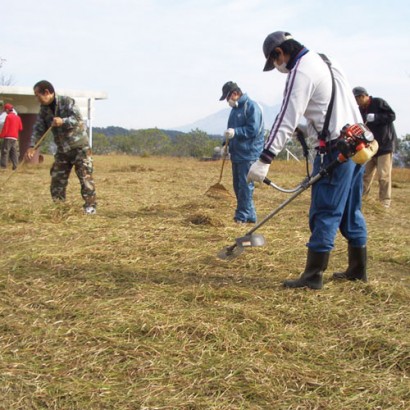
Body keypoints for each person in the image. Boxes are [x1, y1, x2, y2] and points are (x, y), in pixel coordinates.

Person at [247, 31, 368, 289]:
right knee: (350, 211)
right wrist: (310, 128)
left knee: (324, 211)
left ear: (279, 53)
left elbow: (285, 116)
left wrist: (264, 159)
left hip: (338, 149)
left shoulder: (300, 70)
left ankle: (313, 277)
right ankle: (358, 270)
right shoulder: (326, 61)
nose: (278, 68)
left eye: (275, 62)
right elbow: (332, 107)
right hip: (359, 143)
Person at [26, 80, 97, 214]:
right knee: (57, 178)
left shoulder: (67, 102)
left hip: (79, 148)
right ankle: (59, 207)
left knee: (85, 178)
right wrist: (32, 146)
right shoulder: (44, 110)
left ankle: (90, 206)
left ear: (46, 92)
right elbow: (39, 129)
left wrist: (62, 121)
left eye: (37, 95)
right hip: (62, 150)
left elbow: (78, 120)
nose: (36, 98)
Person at [219, 81, 264, 224]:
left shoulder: (251, 107)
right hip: (237, 154)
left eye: (227, 98)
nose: (227, 101)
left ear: (234, 94)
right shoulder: (234, 110)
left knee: (245, 186)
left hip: (249, 153)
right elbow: (230, 132)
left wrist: (236, 132)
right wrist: (224, 146)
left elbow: (253, 130)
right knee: (238, 186)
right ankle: (250, 216)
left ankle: (241, 216)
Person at [352, 86, 397, 208]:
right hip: (369, 147)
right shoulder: (360, 111)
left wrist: (376, 117)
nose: (356, 102)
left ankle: (384, 202)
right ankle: (361, 199)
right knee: (365, 175)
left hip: (384, 145)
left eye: (357, 99)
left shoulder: (378, 102)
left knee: (383, 176)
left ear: (363, 96)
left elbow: (392, 115)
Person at [0, 103, 23, 170]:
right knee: (14, 152)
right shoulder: (18, 117)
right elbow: (20, 128)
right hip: (15, 137)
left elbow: (5, 127)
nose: (5, 112)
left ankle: (3, 166)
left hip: (8, 137)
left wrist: (1, 135)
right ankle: (15, 166)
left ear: (7, 109)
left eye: (5, 110)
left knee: (5, 151)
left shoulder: (8, 117)